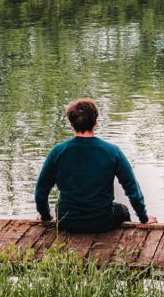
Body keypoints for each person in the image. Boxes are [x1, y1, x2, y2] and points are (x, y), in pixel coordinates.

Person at [34, 97, 156, 233]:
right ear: (96, 122)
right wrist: (143, 218)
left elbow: (41, 191)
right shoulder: (112, 151)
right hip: (102, 221)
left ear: (71, 123)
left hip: (66, 221)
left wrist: (45, 215)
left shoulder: (57, 151)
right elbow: (132, 189)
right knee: (123, 210)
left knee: (60, 206)